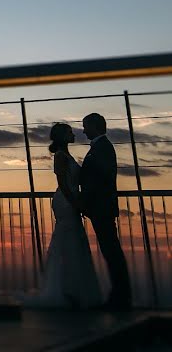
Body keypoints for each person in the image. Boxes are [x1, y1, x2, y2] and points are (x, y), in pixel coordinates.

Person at [24, 123, 101, 308]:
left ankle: (71, 289)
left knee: (72, 243)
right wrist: (76, 203)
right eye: (69, 132)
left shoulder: (66, 155)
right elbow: (63, 184)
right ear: (62, 136)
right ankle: (66, 290)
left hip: (70, 200)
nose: (73, 134)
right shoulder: (60, 156)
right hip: (66, 201)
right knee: (68, 242)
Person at [79, 113, 132, 310]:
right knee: (111, 252)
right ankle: (119, 296)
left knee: (112, 252)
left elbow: (100, 177)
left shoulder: (102, 148)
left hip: (101, 208)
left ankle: (120, 298)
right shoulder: (100, 148)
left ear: (95, 126)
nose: (83, 131)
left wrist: (86, 200)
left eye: (86, 126)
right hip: (100, 207)